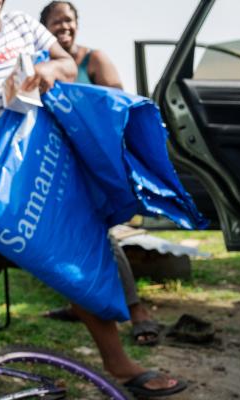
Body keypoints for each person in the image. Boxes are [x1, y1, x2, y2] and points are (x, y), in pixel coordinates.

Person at [0, 1, 186, 397]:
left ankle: (118, 363)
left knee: (68, 255)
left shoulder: (22, 26)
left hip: (34, 171)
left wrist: (46, 71)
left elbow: (67, 65)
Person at [40, 0, 162, 347]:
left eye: (68, 20)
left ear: (77, 24)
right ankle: (80, 304)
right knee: (65, 236)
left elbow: (116, 110)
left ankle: (137, 311)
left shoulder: (94, 59)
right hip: (57, 166)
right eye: (55, 22)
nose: (63, 27)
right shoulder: (41, 65)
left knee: (99, 234)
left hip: (91, 164)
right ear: (43, 29)